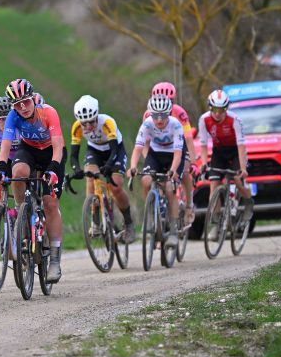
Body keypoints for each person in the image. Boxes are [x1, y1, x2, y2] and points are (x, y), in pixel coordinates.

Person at [0, 78, 66, 282]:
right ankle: (20, 212)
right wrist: (0, 167)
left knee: (50, 203)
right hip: (30, 150)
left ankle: (55, 261)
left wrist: (53, 169)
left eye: (26, 101)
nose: (23, 107)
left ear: (33, 98)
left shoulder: (48, 112)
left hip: (51, 152)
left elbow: (58, 146)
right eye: (17, 104)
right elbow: (5, 148)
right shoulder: (13, 117)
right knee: (18, 172)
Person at [69, 94, 135, 244]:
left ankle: (129, 222)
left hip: (115, 150)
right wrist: (77, 169)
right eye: (84, 123)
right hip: (95, 151)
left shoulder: (107, 122)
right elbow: (74, 155)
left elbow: (113, 150)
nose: (88, 127)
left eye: (91, 122)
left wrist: (109, 166)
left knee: (116, 186)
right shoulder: (77, 127)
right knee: (90, 179)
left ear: (97, 116)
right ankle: (96, 221)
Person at [128, 94, 185, 249]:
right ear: (151, 114)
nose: (159, 120)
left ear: (169, 114)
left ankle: (173, 230)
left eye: (163, 116)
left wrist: (173, 171)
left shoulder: (176, 125)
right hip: (156, 154)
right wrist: (133, 166)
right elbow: (138, 148)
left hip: (173, 155)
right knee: (146, 180)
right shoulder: (147, 124)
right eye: (155, 116)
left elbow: (179, 154)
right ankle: (151, 213)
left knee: (169, 188)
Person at [144, 81, 198, 227]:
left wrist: (193, 162)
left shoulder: (179, 112)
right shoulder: (149, 113)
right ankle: (157, 214)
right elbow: (146, 140)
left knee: (186, 170)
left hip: (179, 146)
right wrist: (147, 160)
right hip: (160, 149)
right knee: (152, 178)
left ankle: (188, 206)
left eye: (170, 100)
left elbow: (188, 138)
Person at [197, 89, 253, 228]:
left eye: (221, 110)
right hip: (219, 152)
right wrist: (204, 163)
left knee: (239, 180)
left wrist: (243, 168)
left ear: (226, 108)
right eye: (215, 109)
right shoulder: (204, 120)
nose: (217, 113)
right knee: (214, 184)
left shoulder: (234, 120)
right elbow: (203, 145)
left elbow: (241, 146)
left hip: (235, 151)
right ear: (210, 107)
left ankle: (248, 203)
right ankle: (216, 221)